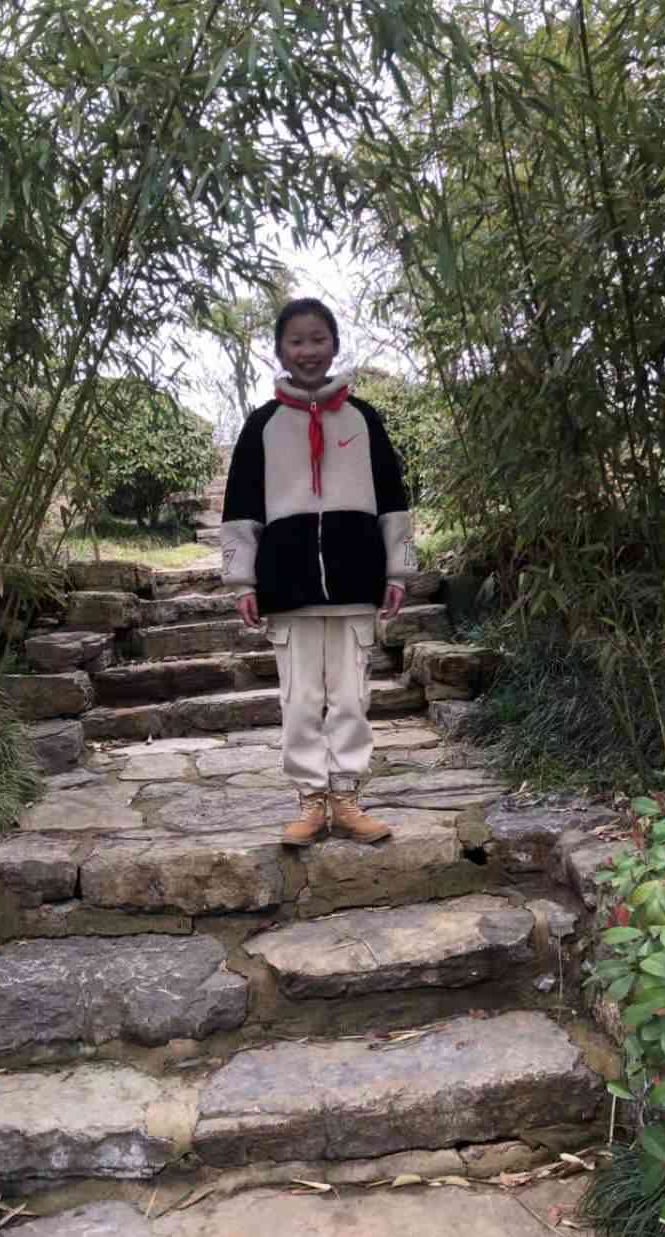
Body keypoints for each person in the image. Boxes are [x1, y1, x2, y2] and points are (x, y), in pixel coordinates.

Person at [220, 297, 413, 846]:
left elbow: (392, 498)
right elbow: (241, 506)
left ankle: (347, 798)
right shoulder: (262, 425)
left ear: (334, 345)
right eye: (297, 341)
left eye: (318, 339)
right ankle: (309, 801)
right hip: (289, 585)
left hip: (355, 582)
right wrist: (243, 580)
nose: (308, 350)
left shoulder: (363, 419)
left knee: (351, 698)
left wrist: (397, 572)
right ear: (281, 350)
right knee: (300, 700)